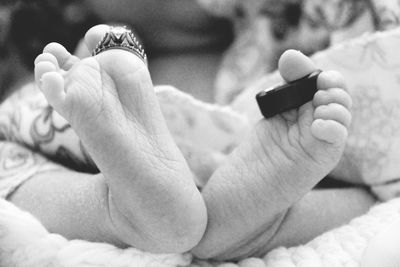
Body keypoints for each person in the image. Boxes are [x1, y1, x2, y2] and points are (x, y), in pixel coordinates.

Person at [8, 24, 373, 261]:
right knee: (367, 193)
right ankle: (253, 229)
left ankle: (120, 213)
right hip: (133, 141)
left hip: (82, 136)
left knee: (13, 172)